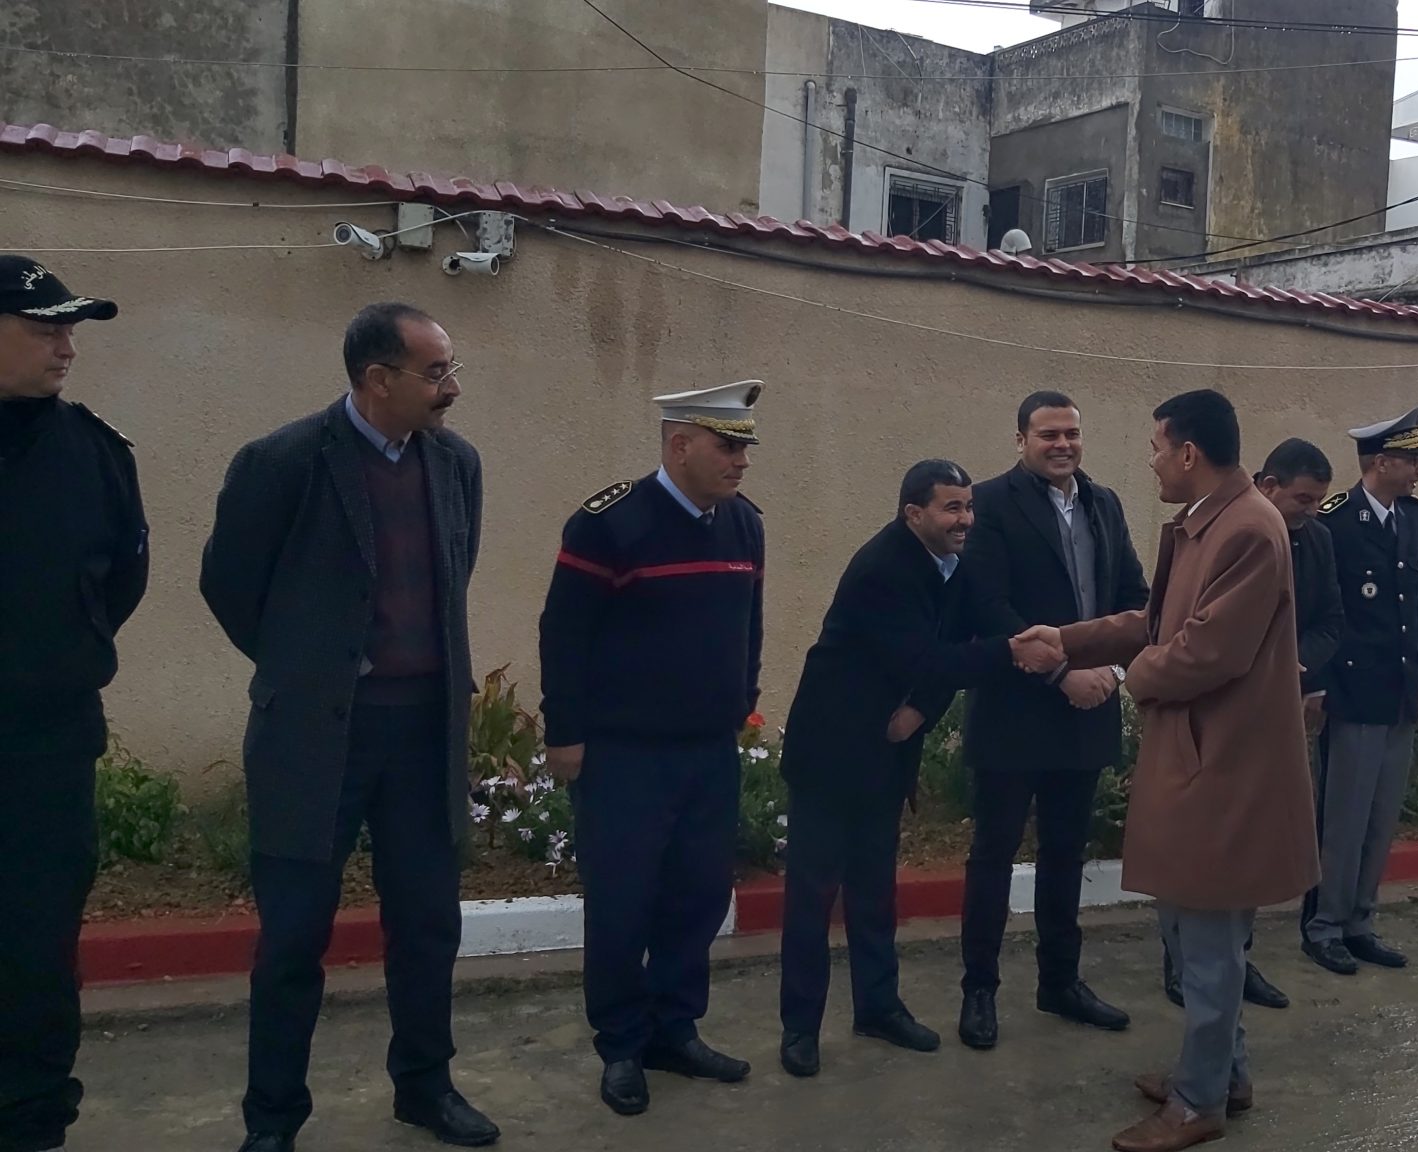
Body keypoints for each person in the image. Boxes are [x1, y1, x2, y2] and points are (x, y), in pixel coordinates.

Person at [200, 303, 496, 1151]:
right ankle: (273, 1119)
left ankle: (426, 1088)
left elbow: (456, 570)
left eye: (450, 368)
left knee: (428, 927)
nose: (451, 388)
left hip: (423, 737)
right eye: (434, 373)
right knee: (294, 939)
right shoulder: (281, 462)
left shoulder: (456, 464)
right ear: (376, 380)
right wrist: (312, 669)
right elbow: (229, 586)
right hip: (313, 742)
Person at [1016, 389, 1319, 1152]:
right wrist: (1069, 640)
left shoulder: (1247, 530)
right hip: (1200, 761)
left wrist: (1127, 676)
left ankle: (1198, 1103)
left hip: (1225, 770)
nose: (1150, 461)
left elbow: (1204, 652)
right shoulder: (1207, 523)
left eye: (1156, 447)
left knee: (1208, 944)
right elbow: (1155, 623)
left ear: (1189, 452)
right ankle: (1222, 1073)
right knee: (1194, 936)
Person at [538, 381, 767, 1116]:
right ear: (680, 444)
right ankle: (621, 1046)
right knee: (622, 904)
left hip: (708, 751)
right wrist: (565, 731)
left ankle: (675, 1029)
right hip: (624, 756)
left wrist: (742, 702)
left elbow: (749, 626)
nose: (741, 462)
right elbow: (563, 632)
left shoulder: (745, 525)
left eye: (745, 449)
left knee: (697, 897)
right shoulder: (610, 523)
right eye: (728, 447)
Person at [776, 460, 1030, 1078]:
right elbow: (930, 659)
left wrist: (921, 710)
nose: (965, 519)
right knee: (813, 897)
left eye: (969, 506)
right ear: (914, 513)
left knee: (874, 890)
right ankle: (800, 1029)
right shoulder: (883, 568)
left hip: (887, 751)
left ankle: (878, 1008)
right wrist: (1011, 653)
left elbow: (963, 642)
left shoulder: (952, 565)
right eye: (951, 508)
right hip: (831, 753)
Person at [954, 391, 1150, 1051]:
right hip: (1014, 712)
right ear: (1021, 440)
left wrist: (1113, 671)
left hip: (1087, 712)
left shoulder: (1105, 504)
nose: (1062, 445)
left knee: (1066, 854)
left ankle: (1060, 982)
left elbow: (1134, 600)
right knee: (993, 854)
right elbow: (987, 606)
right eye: (1048, 435)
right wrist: (1062, 672)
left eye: (1071, 433)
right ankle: (979, 991)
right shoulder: (990, 504)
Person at [0, 257, 143, 1152]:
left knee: (36, 944)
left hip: (45, 746)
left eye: (70, 329)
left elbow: (120, 580)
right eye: (44, 328)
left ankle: (29, 1119)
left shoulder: (93, 453)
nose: (66, 346)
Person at [1160, 437, 1342, 1012]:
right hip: (1217, 725)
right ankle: (1185, 968)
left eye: (1318, 501)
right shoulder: (1228, 534)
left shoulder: (1315, 541)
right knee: (1201, 859)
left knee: (1248, 854)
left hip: (1276, 716)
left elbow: (1330, 621)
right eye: (1303, 499)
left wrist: (1296, 667)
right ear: (1268, 485)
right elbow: (1195, 634)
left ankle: (1234, 963)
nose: (1311, 511)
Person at [1301, 406, 1418, 975]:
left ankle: (1360, 921)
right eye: (1412, 460)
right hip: (1353, 693)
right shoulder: (1335, 520)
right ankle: (1324, 925)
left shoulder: (1413, 518)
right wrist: (1315, 686)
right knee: (1344, 820)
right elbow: (1320, 611)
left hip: (1399, 691)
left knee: (1380, 819)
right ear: (1382, 462)